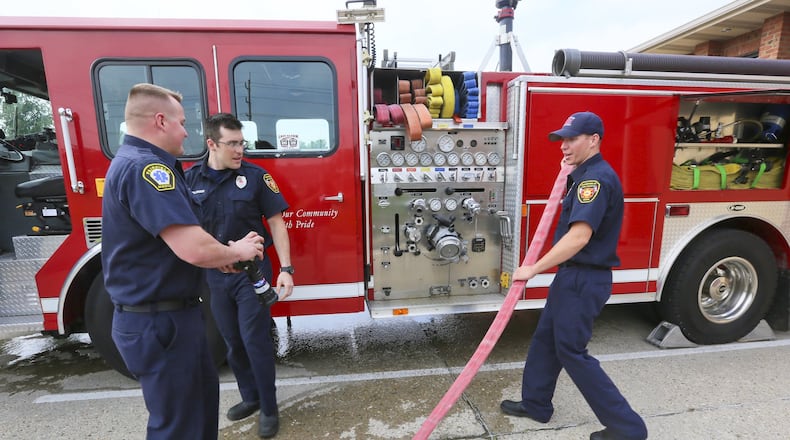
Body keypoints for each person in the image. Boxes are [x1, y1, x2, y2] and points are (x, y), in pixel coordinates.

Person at [101, 83, 266, 440]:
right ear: (160, 121)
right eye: (181, 122)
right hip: (161, 324)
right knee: (179, 429)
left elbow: (174, 245)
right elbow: (193, 247)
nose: (187, 130)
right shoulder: (147, 170)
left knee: (197, 419)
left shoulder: (137, 164)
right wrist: (236, 252)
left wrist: (214, 259)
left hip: (167, 319)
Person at [499, 112, 648, 440]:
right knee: (546, 341)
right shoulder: (582, 175)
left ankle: (628, 429)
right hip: (572, 278)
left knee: (571, 351)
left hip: (584, 279)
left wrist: (534, 269)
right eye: (562, 139)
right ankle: (536, 404)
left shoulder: (594, 180)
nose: (563, 146)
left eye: (572, 139)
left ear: (594, 139)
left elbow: (579, 237)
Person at [185, 113, 294, 438]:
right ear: (211, 144)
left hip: (253, 276)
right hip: (216, 278)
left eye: (241, 143)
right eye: (231, 144)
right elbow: (188, 230)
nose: (239, 150)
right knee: (231, 342)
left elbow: (276, 222)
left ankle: (270, 410)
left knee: (254, 341)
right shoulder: (191, 181)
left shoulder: (256, 177)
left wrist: (286, 269)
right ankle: (252, 398)